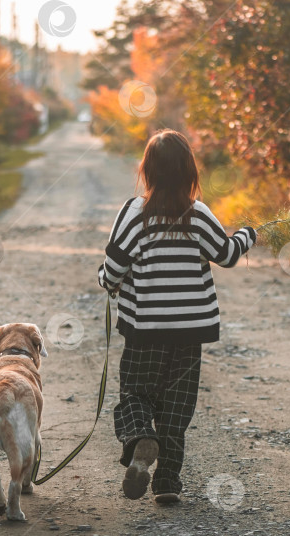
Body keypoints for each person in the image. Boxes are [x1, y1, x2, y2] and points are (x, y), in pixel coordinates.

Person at [97, 129, 256, 504]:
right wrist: (249, 234)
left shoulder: (133, 213)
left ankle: (140, 439)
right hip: (189, 332)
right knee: (176, 406)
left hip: (144, 331)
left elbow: (114, 269)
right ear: (189, 172)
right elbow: (228, 254)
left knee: (135, 394)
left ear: (148, 171)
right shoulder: (198, 214)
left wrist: (106, 281)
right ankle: (167, 482)